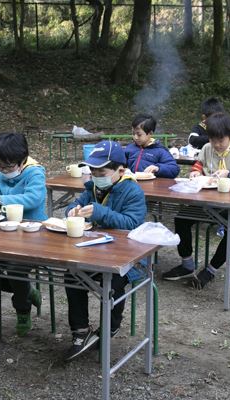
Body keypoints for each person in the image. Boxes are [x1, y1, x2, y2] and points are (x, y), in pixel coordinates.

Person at [64, 140, 147, 361]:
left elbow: (132, 223)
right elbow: (74, 205)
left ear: (120, 170)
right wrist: (73, 211)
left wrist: (100, 213)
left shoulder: (132, 190)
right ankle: (81, 331)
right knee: (72, 273)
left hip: (129, 258)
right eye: (92, 171)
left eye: (101, 171)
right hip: (94, 251)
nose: (95, 175)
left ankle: (111, 326)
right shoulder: (92, 187)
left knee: (114, 280)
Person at [162, 113, 230, 289]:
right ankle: (187, 264)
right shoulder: (207, 147)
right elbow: (199, 164)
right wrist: (195, 173)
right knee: (181, 219)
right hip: (207, 201)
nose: (217, 145)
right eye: (213, 141)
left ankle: (211, 270)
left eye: (221, 141)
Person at [0, 132, 47, 336]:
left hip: (32, 235)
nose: (4, 170)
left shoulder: (35, 173)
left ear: (22, 161)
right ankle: (27, 292)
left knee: (15, 269)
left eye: (8, 166)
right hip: (2, 236)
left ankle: (22, 309)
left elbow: (33, 198)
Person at [125, 114, 180, 178]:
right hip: (131, 184)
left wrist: (158, 168)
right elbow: (119, 163)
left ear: (150, 133)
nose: (135, 137)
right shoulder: (129, 148)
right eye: (133, 134)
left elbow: (174, 169)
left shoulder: (160, 150)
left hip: (151, 186)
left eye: (139, 134)